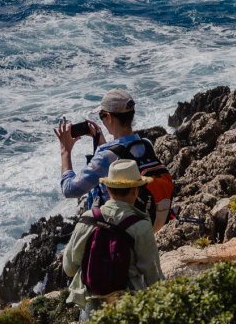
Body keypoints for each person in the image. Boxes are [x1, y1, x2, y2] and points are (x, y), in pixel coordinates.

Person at [57, 88, 172, 230]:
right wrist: (103, 144)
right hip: (142, 226)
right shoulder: (146, 145)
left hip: (115, 234)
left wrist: (65, 151)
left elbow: (69, 189)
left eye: (101, 115)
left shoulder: (106, 157)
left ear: (109, 117)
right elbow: (122, 160)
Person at [61, 159, 163, 314]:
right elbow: (152, 275)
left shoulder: (87, 219)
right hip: (128, 309)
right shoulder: (140, 226)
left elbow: (69, 268)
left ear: (108, 189)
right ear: (136, 190)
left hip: (92, 309)